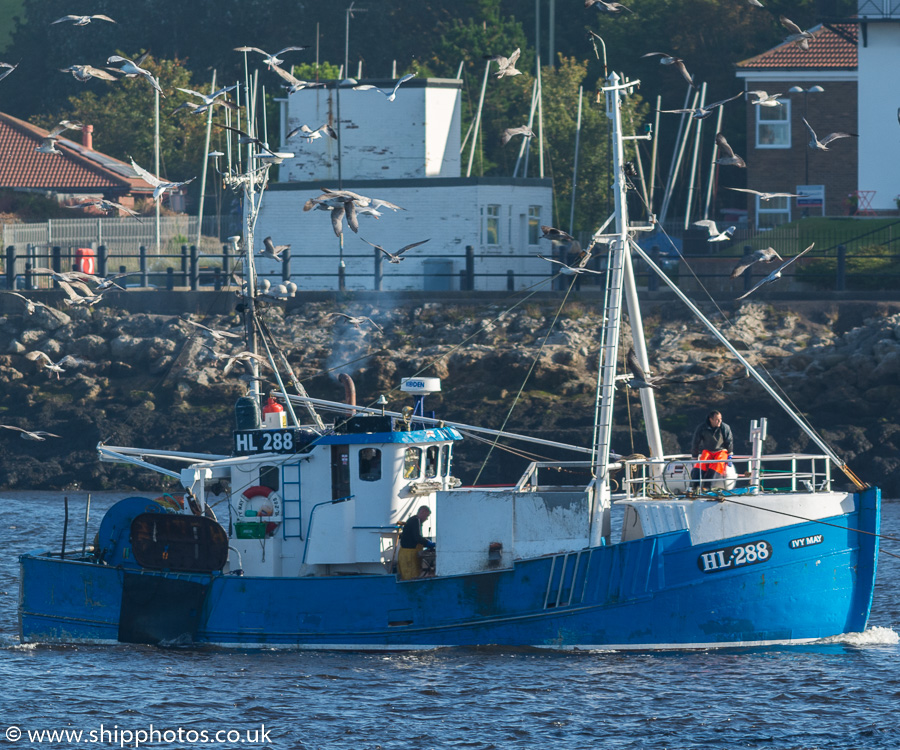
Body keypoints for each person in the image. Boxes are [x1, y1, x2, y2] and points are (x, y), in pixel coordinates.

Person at [690, 410, 734, 489]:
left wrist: (730, 455)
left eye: (720, 419)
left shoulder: (725, 427)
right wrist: (695, 456)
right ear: (711, 419)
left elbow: (729, 441)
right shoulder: (702, 428)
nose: (719, 421)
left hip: (721, 451)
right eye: (717, 419)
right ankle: (694, 486)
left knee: (717, 464)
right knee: (701, 463)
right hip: (708, 451)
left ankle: (707, 486)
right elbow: (695, 442)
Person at [397, 505, 435, 580]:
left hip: (408, 553)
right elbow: (417, 537)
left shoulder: (413, 520)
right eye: (426, 516)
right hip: (409, 555)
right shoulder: (415, 520)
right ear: (422, 512)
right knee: (411, 577)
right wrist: (427, 543)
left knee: (410, 576)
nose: (426, 519)